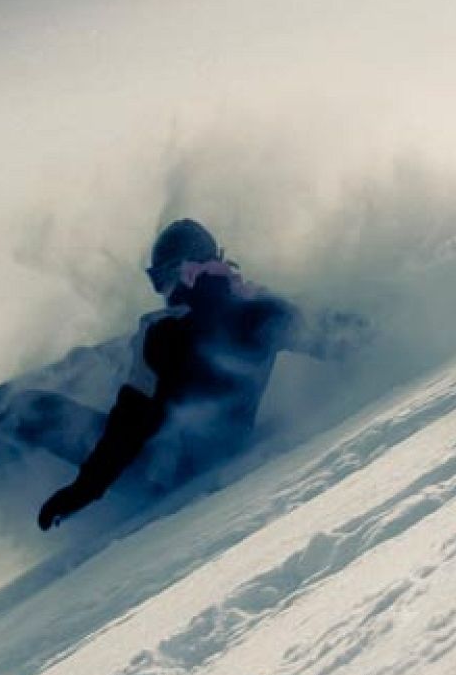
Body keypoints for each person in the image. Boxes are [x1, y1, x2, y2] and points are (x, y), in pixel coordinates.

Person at [26, 219, 369, 529]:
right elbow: (334, 336)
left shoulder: (163, 334)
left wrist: (82, 491)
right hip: (212, 451)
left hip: (158, 473)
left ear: (190, 271)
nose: (164, 291)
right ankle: (100, 368)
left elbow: (128, 427)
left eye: (165, 279)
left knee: (36, 410)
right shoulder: (260, 312)